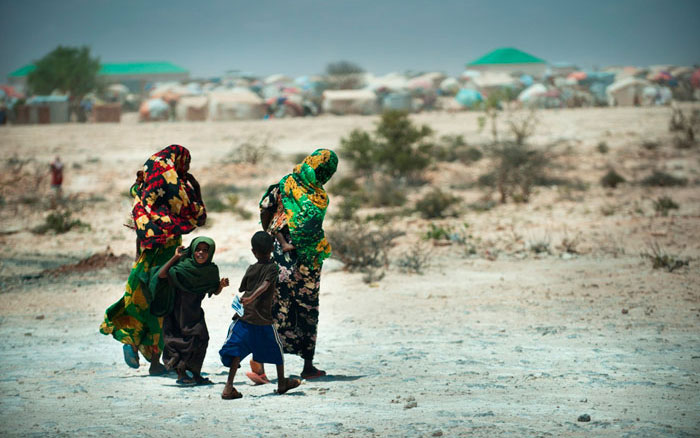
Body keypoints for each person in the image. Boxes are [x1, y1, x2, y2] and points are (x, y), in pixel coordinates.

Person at [100, 144, 206, 376]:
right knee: (164, 306)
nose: (186, 168)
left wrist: (139, 257)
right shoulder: (178, 194)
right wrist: (195, 188)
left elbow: (142, 233)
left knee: (139, 301)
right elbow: (199, 216)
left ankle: (135, 345)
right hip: (168, 259)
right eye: (185, 164)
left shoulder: (143, 196)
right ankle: (157, 361)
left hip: (145, 258)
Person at [248, 148, 338, 382]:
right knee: (291, 307)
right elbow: (270, 210)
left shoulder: (290, 185)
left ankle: (296, 365)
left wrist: (272, 233)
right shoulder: (301, 189)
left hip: (297, 258)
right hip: (297, 259)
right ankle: (265, 365)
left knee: (294, 308)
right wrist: (274, 237)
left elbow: (266, 208)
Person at [219, 231, 302, 399]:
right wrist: (251, 298)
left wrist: (248, 296)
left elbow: (243, 288)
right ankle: (281, 382)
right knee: (276, 350)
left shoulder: (251, 268)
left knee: (236, 350)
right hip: (263, 319)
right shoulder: (272, 267)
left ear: (252, 251)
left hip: (244, 317)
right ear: (272, 248)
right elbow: (265, 285)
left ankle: (228, 387)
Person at [153, 236, 229, 385]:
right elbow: (162, 275)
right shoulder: (183, 267)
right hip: (177, 311)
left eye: (205, 250)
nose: (201, 253)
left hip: (194, 310)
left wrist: (220, 286)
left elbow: (213, 290)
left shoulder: (211, 270)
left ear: (211, 252)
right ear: (193, 250)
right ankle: (181, 374)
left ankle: (195, 373)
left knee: (202, 338)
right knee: (179, 341)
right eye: (198, 249)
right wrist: (175, 257)